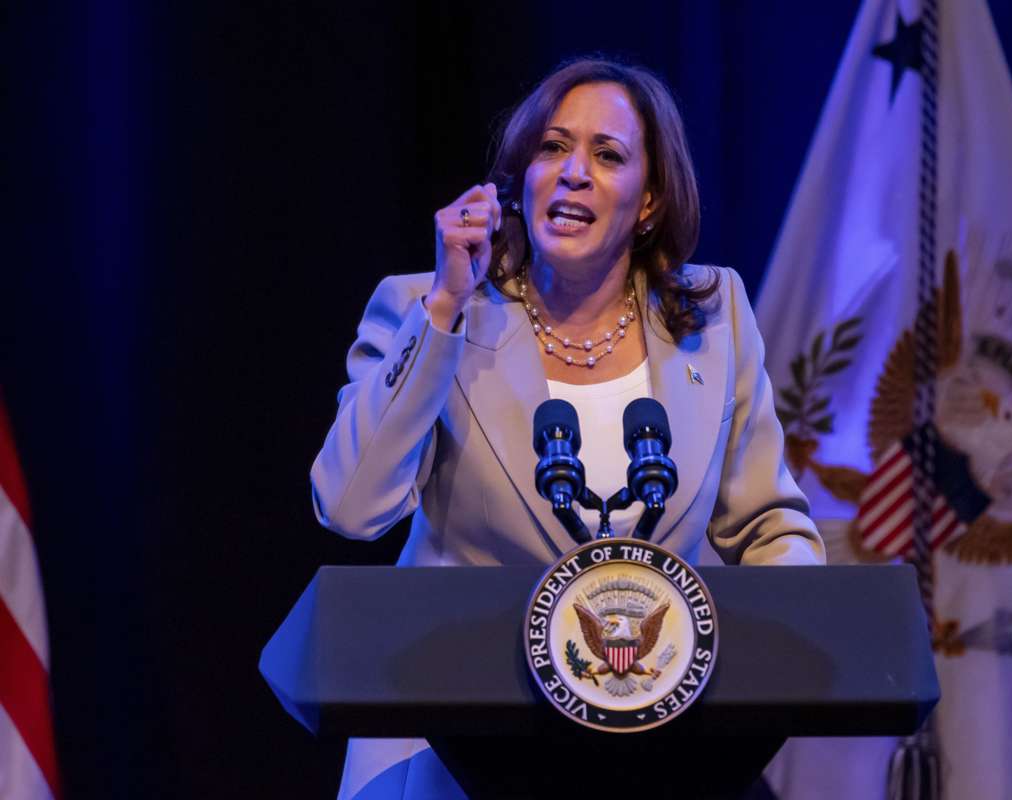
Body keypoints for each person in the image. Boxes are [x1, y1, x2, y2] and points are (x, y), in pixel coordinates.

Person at [310, 57, 824, 800]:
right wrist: (445, 310)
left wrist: (799, 644)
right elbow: (350, 506)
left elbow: (771, 527)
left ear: (649, 200)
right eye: (553, 147)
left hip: (652, 751)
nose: (573, 172)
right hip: (447, 741)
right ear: (522, 178)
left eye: (607, 155)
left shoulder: (714, 318)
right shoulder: (430, 307)